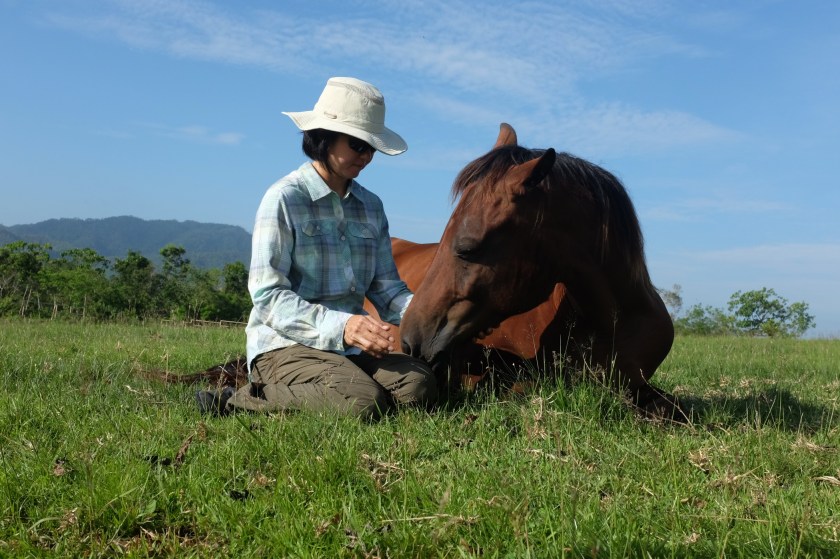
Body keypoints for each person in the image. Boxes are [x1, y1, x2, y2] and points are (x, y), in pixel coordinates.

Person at [198, 77, 436, 420]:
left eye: (372, 147)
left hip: (350, 349)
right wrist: (344, 327)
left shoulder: (371, 207)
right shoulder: (284, 198)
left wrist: (427, 315)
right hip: (285, 345)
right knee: (360, 402)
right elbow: (267, 296)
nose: (366, 156)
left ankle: (340, 391)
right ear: (323, 137)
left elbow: (387, 289)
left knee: (419, 385)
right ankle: (239, 400)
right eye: (357, 144)